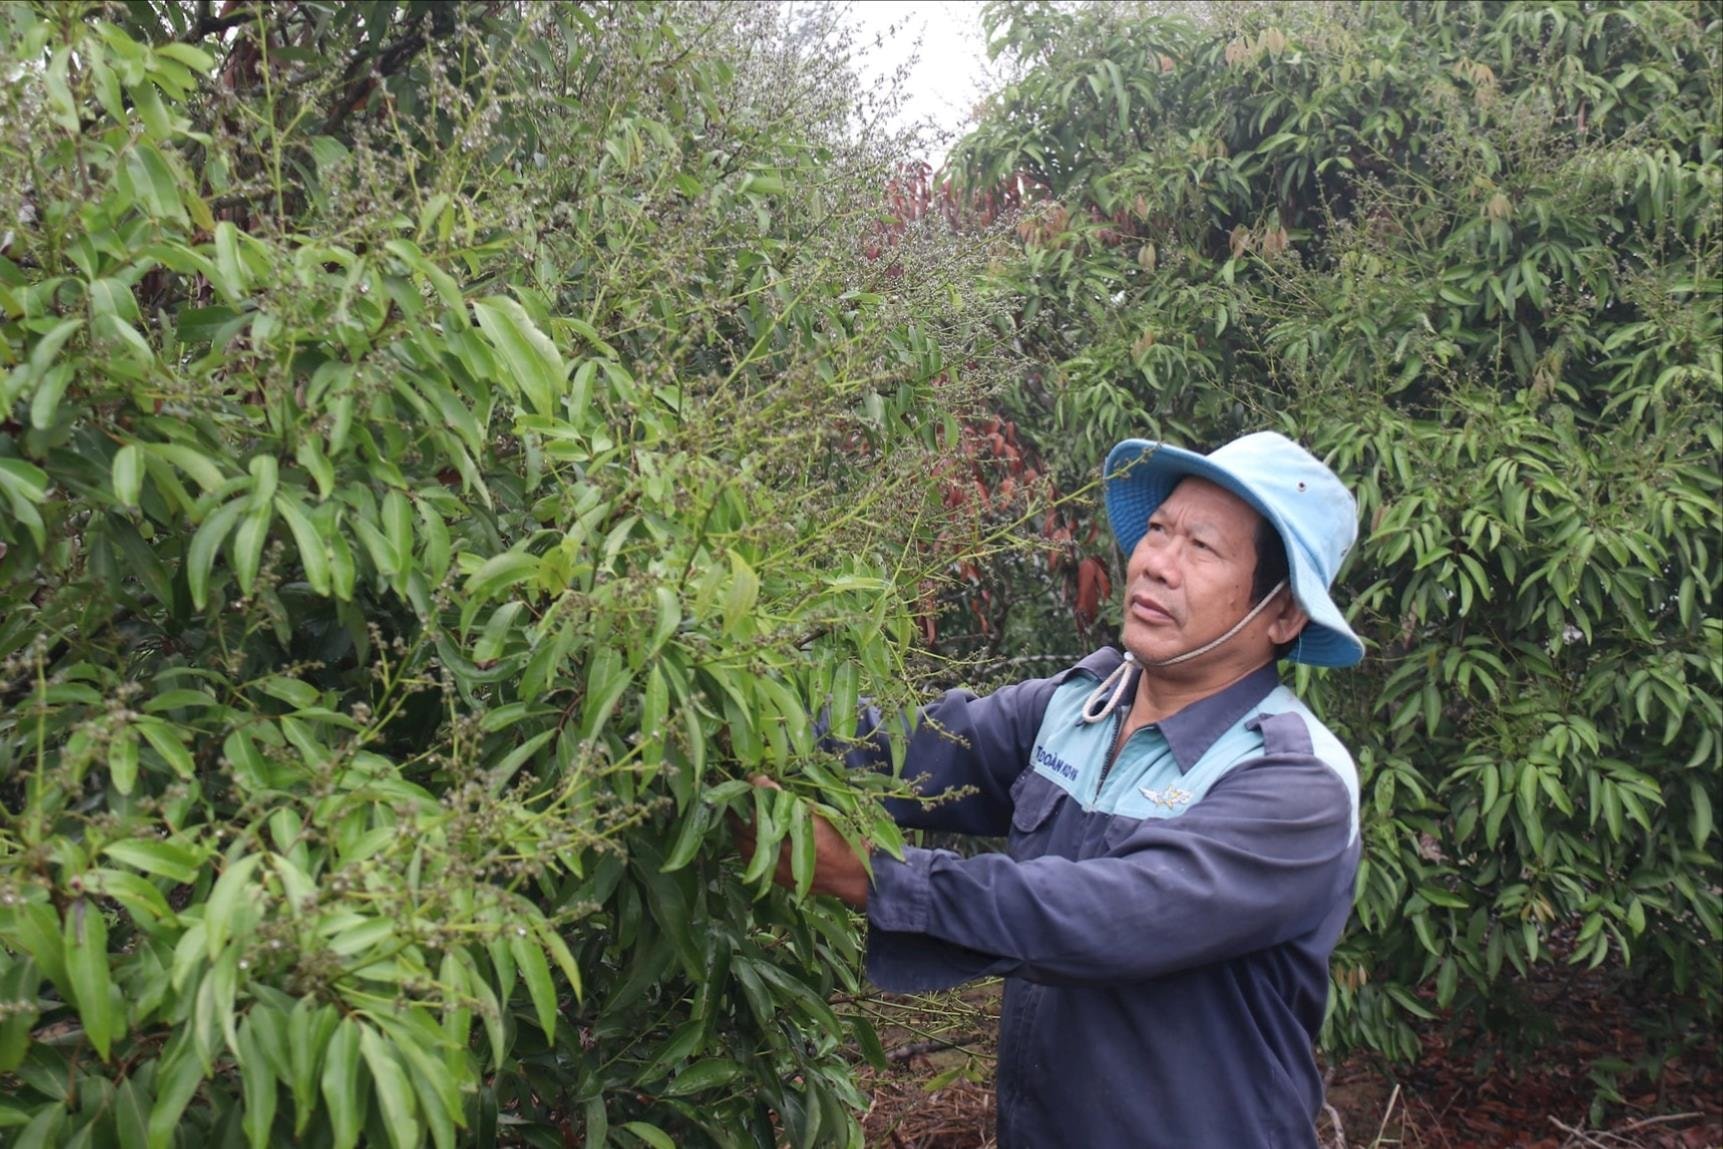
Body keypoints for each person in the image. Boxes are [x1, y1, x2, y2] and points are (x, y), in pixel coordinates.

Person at [741, 431, 1365, 1148]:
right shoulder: (1080, 706)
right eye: (1158, 530)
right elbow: (917, 749)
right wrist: (751, 709)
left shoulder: (1292, 780)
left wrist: (871, 875)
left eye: (1202, 548)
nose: (1155, 564)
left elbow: (1106, 914)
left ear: (1282, 615)